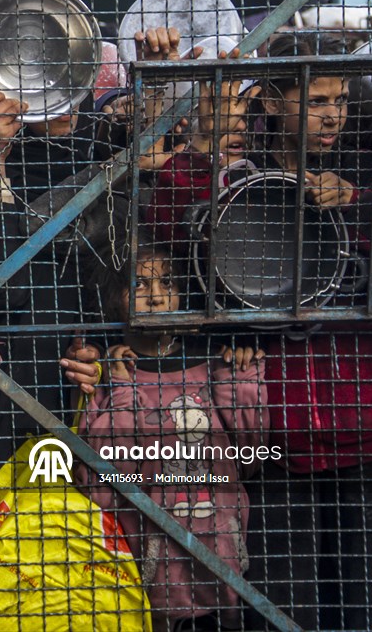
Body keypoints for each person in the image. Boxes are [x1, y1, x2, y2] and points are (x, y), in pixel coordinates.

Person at [141, 30, 372, 628]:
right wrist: (203, 138)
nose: (332, 116)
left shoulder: (362, 176)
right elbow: (171, 223)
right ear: (271, 103)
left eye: (340, 101)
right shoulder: (238, 179)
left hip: (364, 413)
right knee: (285, 596)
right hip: (278, 423)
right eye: (316, 100)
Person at [68, 236, 267, 631]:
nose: (156, 298)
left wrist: (241, 379)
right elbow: (101, 485)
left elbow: (252, 455)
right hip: (145, 572)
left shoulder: (212, 366)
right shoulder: (105, 377)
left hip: (219, 559)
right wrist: (121, 390)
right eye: (138, 285)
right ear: (113, 299)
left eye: (167, 284)